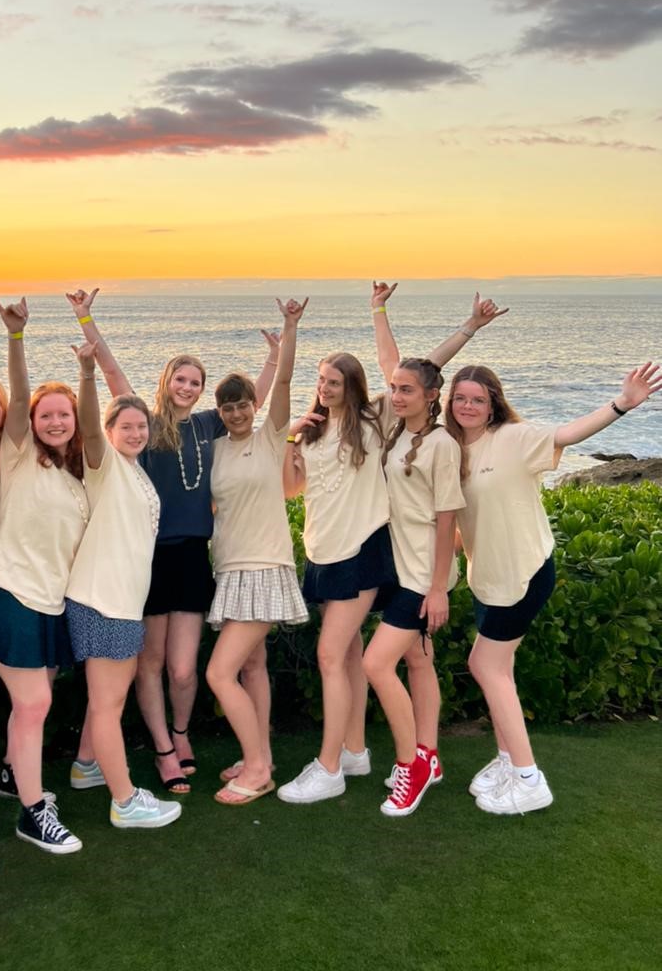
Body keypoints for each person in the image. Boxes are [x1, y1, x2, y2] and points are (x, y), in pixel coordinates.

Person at [277, 287, 506, 805]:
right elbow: (292, 488)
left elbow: (417, 370)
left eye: (335, 381)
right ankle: (406, 754)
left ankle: (372, 764)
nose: (325, 388)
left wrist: (467, 327)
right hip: (348, 555)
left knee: (353, 659)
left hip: (390, 562)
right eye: (322, 381)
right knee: (413, 661)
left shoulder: (378, 421)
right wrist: (291, 439)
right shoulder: (330, 430)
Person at [66, 287, 276, 793]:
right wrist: (85, 318)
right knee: (151, 664)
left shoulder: (209, 425)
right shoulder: (146, 424)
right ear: (166, 382)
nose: (187, 386)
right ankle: (163, 749)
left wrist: (274, 354)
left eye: (195, 381)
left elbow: (255, 398)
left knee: (183, 670)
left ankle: (181, 734)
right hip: (148, 560)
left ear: (203, 391)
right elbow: (113, 375)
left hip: (192, 559)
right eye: (180, 379)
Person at [445, 359, 661, 815]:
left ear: (492, 405)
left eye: (477, 400)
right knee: (495, 668)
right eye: (460, 397)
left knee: (487, 666)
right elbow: (469, 521)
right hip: (487, 577)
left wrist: (622, 404)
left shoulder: (513, 439)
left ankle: (528, 779)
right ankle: (507, 761)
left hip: (523, 572)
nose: (468, 405)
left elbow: (568, 433)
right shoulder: (453, 451)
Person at [0, 297, 86, 852]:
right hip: (9, 592)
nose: (55, 421)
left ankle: (15, 774)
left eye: (64, 414)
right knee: (34, 703)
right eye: (47, 415)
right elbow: (17, 400)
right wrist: (16, 337)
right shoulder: (18, 454)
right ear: (33, 423)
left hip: (52, 601)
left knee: (40, 696)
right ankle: (32, 812)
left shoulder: (77, 476)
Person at [66, 341, 182, 829]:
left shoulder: (135, 471)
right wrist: (89, 373)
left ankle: (86, 766)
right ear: (110, 433)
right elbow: (89, 426)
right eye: (125, 427)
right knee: (111, 704)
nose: (135, 433)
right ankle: (125, 800)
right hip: (103, 603)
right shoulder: (104, 464)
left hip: (124, 604)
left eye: (141, 426)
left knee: (104, 699)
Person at [206, 298, 310, 806]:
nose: (237, 412)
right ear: (221, 412)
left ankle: (259, 770)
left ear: (254, 404)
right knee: (250, 669)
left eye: (243, 403)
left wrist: (290, 328)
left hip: (265, 566)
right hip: (231, 567)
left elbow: (285, 384)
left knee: (218, 673)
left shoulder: (271, 437)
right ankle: (258, 754)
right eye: (228, 407)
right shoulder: (217, 447)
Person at [362, 356, 464, 816]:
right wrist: (379, 311)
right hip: (402, 568)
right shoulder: (399, 434)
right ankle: (431, 754)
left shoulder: (442, 444)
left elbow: (447, 519)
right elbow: (391, 358)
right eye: (393, 388)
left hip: (424, 576)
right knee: (419, 662)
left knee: (375, 663)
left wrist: (438, 587)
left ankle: (412, 766)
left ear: (430, 396)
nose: (397, 396)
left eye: (407, 390)